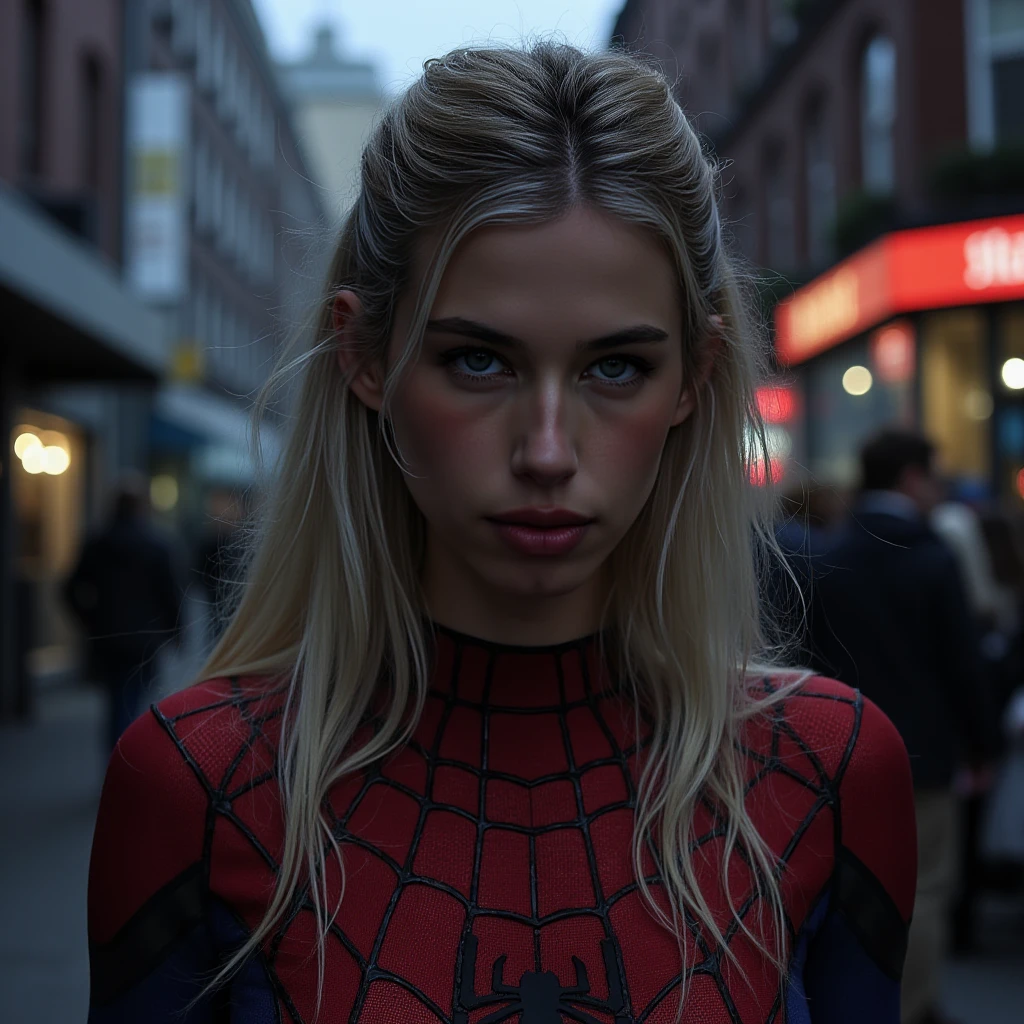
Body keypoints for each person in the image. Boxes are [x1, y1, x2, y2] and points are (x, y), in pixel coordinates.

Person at [85, 43, 915, 1023]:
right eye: (480, 361)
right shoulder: (194, 784)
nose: (548, 451)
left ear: (696, 375)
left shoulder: (830, 772)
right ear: (364, 356)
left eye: (615, 369)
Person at [807, 429, 992, 1024]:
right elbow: (962, 662)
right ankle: (912, 1008)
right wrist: (981, 744)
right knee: (926, 886)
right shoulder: (934, 556)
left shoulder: (827, 553)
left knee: (846, 891)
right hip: (925, 753)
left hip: (835, 750)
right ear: (912, 478)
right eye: (934, 478)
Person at [63, 473, 185, 755]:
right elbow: (170, 594)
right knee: (134, 700)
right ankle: (126, 759)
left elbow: (69, 588)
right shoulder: (156, 545)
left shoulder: (97, 543)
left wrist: (89, 619)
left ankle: (117, 757)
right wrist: (176, 633)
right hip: (144, 639)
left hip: (107, 637)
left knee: (116, 699)